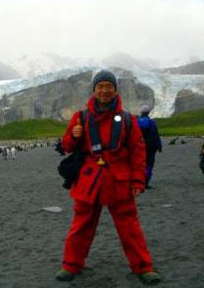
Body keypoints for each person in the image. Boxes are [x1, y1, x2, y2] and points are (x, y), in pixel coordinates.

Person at [56, 70, 161, 285]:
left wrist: (139, 180)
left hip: (119, 180)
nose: (105, 90)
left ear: (115, 89)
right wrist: (72, 136)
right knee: (81, 225)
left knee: (129, 227)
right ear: (94, 90)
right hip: (89, 179)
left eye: (108, 86)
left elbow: (138, 151)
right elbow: (66, 146)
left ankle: (143, 267)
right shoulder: (81, 117)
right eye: (100, 86)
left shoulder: (128, 120)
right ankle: (71, 265)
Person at [137, 105, 162, 188]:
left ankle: (138, 181)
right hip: (151, 147)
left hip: (140, 146)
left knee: (139, 163)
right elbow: (156, 135)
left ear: (141, 112)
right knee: (149, 164)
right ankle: (145, 182)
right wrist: (159, 146)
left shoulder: (136, 121)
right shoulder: (152, 122)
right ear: (149, 112)